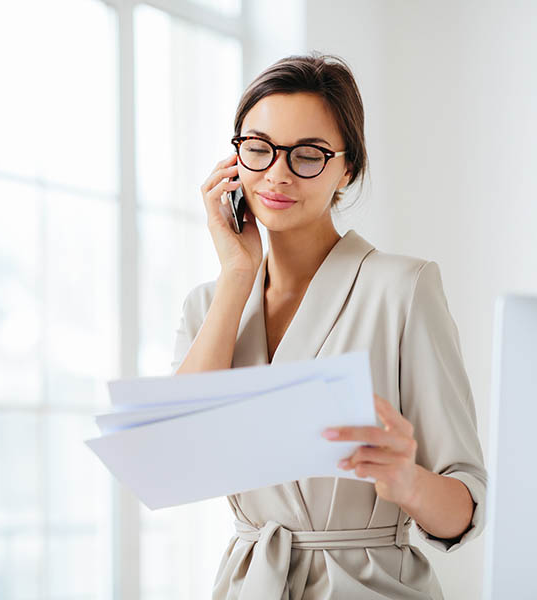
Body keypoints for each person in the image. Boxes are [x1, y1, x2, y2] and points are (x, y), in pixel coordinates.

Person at [171, 52, 487, 599]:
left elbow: (463, 507)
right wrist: (237, 272)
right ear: (234, 158)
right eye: (258, 148)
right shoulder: (210, 303)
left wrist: (405, 480)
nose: (277, 173)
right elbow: (176, 457)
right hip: (249, 583)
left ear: (348, 167)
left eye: (309, 155)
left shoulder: (402, 288)